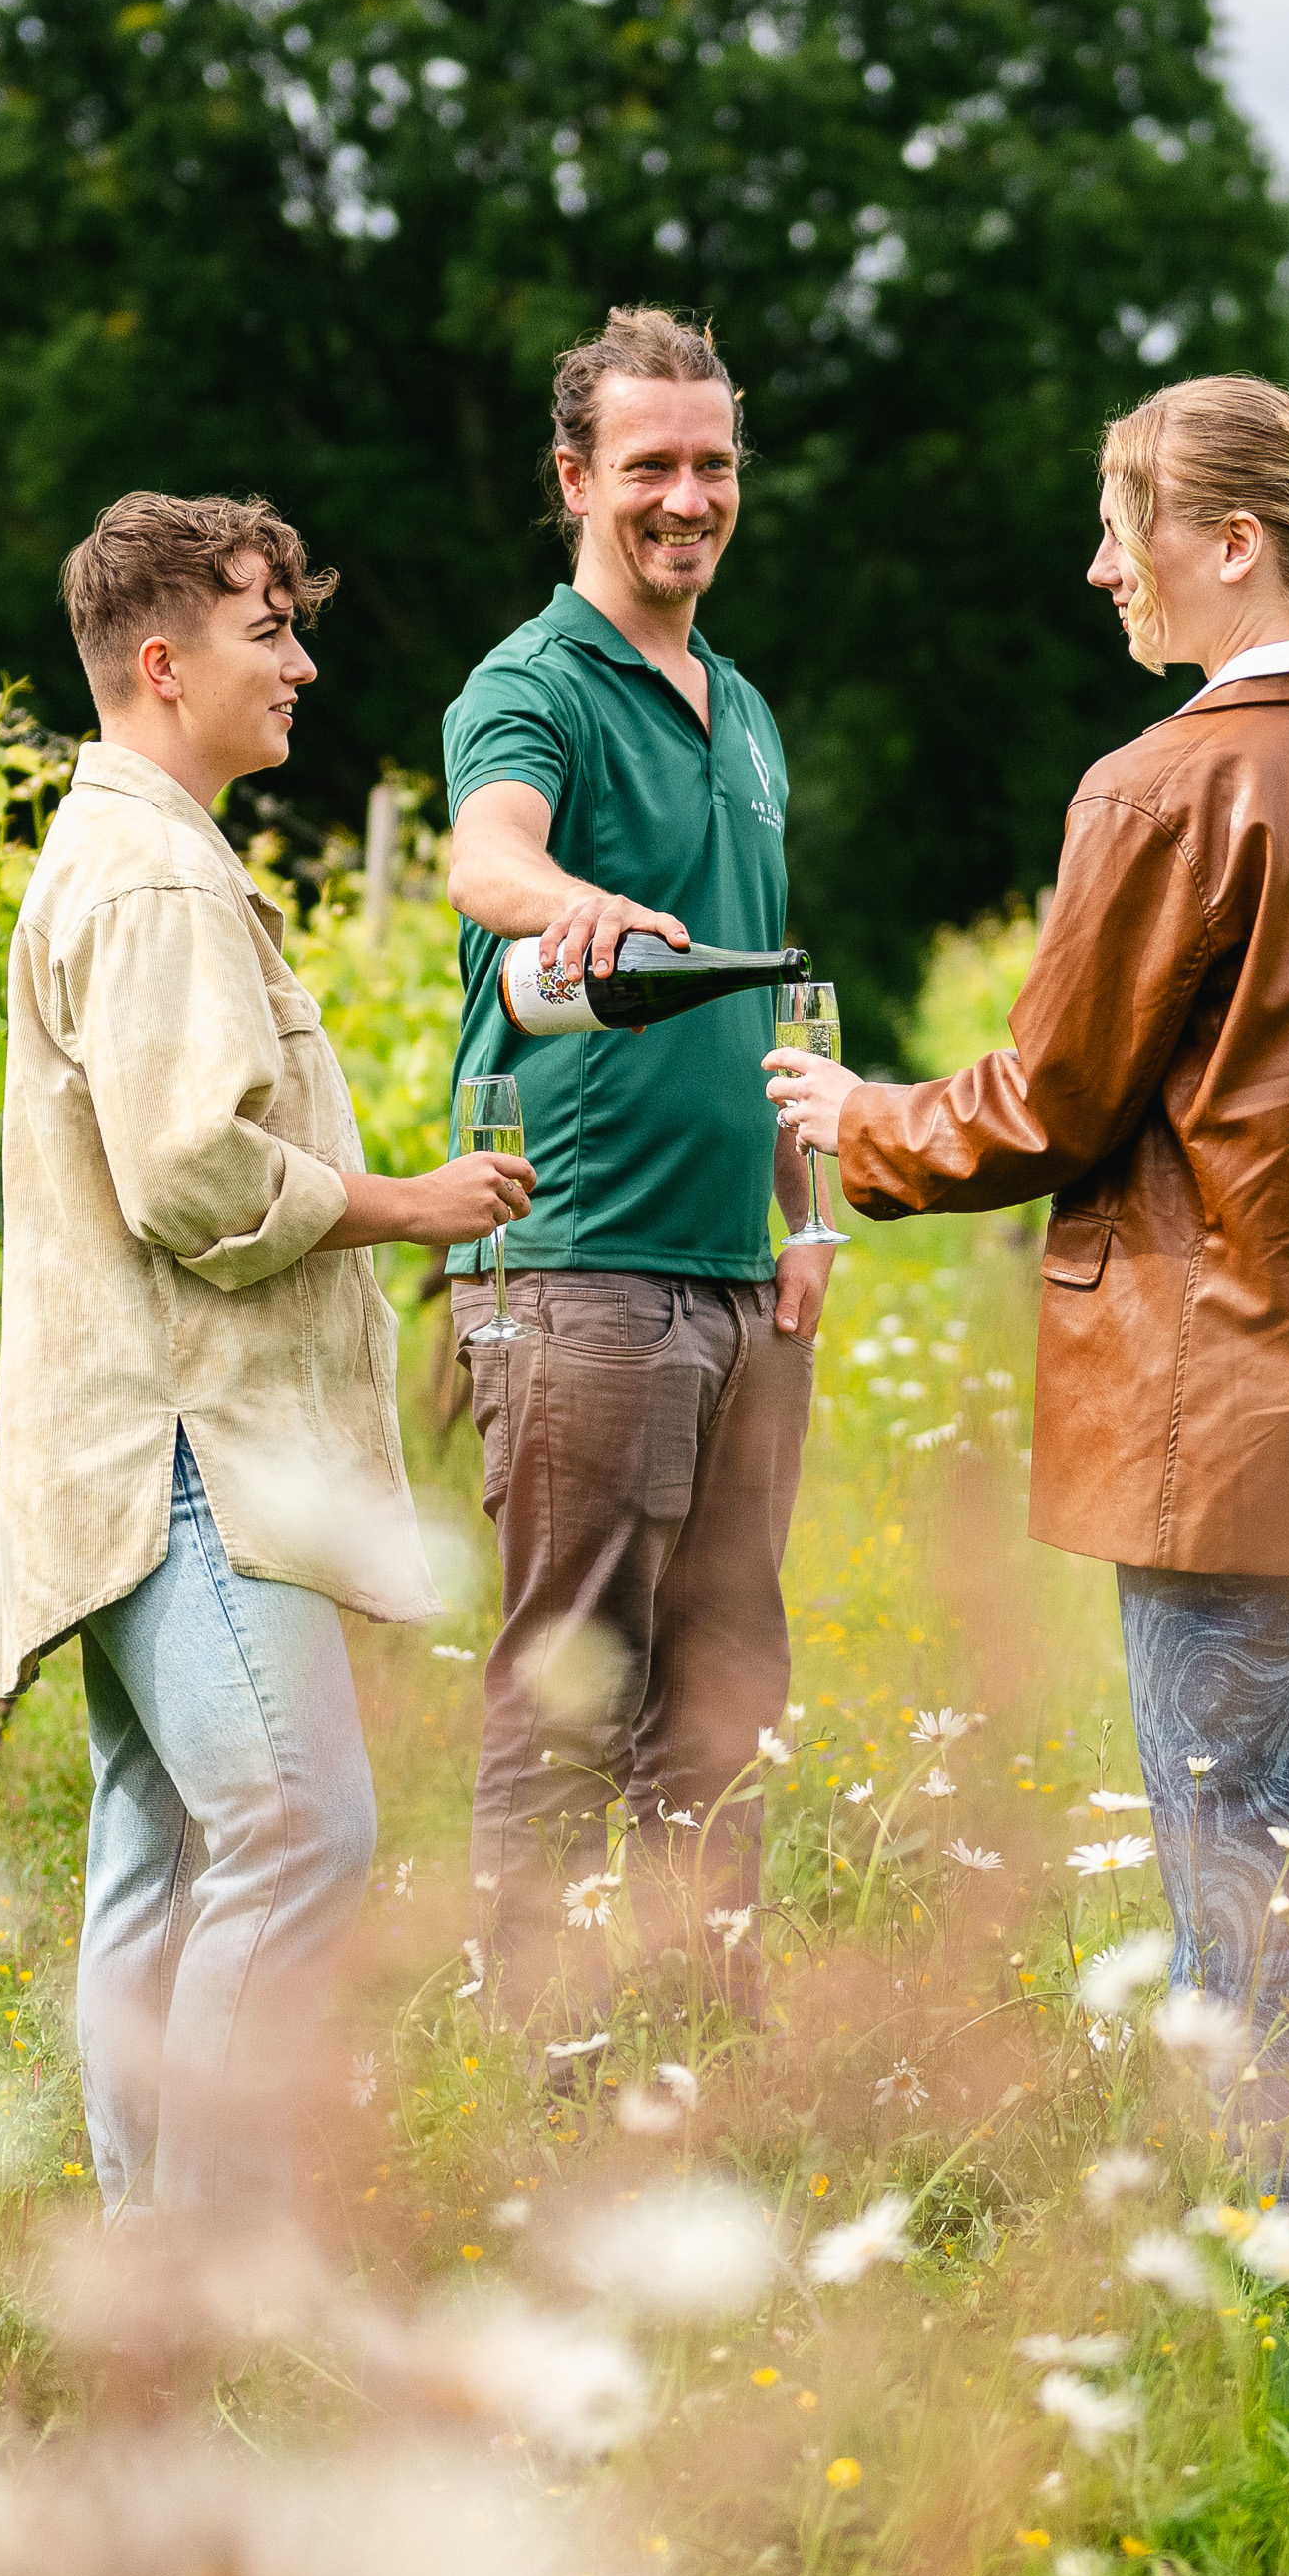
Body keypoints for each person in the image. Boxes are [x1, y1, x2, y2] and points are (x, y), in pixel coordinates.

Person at [762, 377, 1289, 2303]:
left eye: (1126, 521)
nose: (1101, 562)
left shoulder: (1165, 784)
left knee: (1252, 1857)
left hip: (1221, 1432)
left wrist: (855, 1117)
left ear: (1235, 542)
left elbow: (1046, 1101)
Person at [0, 490, 528, 2211]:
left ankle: (143, 2253)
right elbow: (189, 1172)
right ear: (162, 663)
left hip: (141, 1453)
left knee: (158, 1853)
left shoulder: (142, 849)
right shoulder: (154, 872)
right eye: (265, 629)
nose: (303, 661)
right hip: (190, 1455)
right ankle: (196, 2266)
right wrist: (406, 1202)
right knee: (301, 1828)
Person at [435, 308, 824, 2033]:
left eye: (713, 462)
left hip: (740, 1276)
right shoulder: (534, 684)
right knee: (573, 1690)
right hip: (583, 1267)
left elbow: (775, 972)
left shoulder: (740, 706)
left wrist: (810, 1218)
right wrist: (568, 903)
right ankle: (545, 2084)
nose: (688, 496)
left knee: (727, 1692)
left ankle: (696, 2067)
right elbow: (486, 856)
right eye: (651, 464)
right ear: (577, 478)